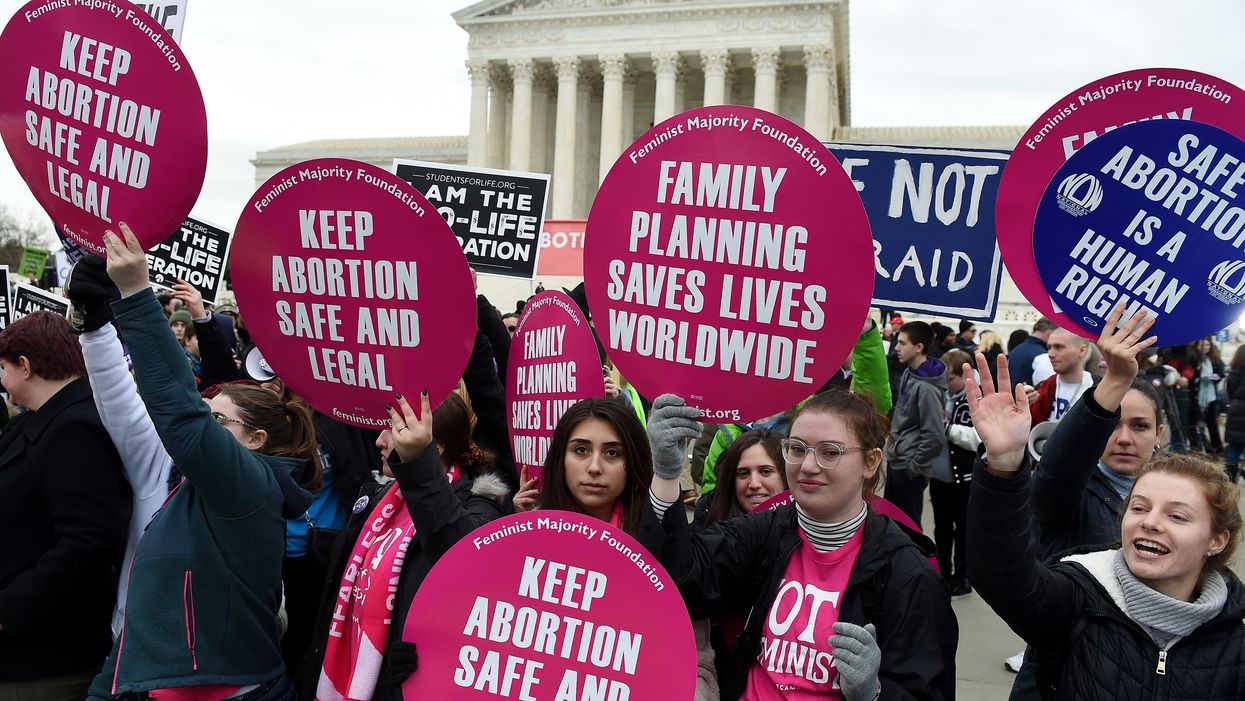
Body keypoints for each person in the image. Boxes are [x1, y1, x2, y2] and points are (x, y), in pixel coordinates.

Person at [88, 224, 319, 700]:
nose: (208, 429)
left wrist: (135, 294)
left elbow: (181, 416)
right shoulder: (190, 490)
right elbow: (146, 613)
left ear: (255, 440)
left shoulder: (251, 486)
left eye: (221, 422)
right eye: (208, 415)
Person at [965, 315, 1245, 700]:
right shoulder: (1081, 595)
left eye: (1177, 515)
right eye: (1139, 509)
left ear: (1216, 539)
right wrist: (1004, 460)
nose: (1151, 524)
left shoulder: (1235, 629)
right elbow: (1004, 565)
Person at [646, 392, 957, 700]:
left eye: (830, 452)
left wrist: (874, 693)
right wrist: (666, 473)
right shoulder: (769, 529)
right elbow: (681, 577)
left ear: (871, 461)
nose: (808, 466)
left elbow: (928, 690)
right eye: (796, 448)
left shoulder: (909, 575)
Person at [991, 306, 1166, 698]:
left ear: (1160, 433)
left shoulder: (1175, 497)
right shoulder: (1069, 492)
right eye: (1113, 424)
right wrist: (1113, 386)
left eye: (1139, 426)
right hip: (1064, 673)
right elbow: (1058, 468)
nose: (1124, 438)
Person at [305, 391, 511, 701]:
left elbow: (460, 561)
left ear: (432, 448)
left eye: (394, 430)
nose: (379, 442)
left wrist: (426, 652)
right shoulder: (378, 499)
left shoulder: (479, 508)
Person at [0, 312, 130, 701]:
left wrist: (7, 609)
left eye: (2, 367)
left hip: (42, 656)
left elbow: (88, 541)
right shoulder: (42, 421)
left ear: (25, 366)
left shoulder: (74, 428)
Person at [513, 397, 656, 539]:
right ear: (560, 457)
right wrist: (524, 531)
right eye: (581, 450)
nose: (594, 468)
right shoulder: (530, 529)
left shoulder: (656, 537)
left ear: (634, 461)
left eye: (612, 453)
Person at [885, 320, 948, 524]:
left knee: (908, 528)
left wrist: (914, 467)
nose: (896, 347)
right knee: (892, 524)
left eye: (902, 343)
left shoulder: (927, 388)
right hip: (897, 461)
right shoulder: (908, 373)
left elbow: (935, 435)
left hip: (908, 467)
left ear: (919, 347)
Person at [934, 349, 977, 597]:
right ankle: (942, 573)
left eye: (950, 379)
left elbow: (976, 439)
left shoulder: (974, 400)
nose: (946, 384)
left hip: (964, 478)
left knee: (963, 529)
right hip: (940, 476)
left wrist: (947, 428)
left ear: (964, 376)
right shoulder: (941, 396)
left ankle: (962, 577)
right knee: (941, 528)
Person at [694, 429, 786, 527]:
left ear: (786, 475)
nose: (754, 484)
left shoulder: (801, 530)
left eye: (765, 472)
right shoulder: (707, 524)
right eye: (743, 474)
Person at [1028, 328, 1095, 426]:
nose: (1050, 354)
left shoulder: (1096, 390)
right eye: (1049, 347)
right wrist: (1024, 407)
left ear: (1082, 351)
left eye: (1058, 347)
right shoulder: (1042, 388)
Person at [1187, 336, 1226, 455]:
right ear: (1197, 346)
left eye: (1208, 345)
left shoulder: (1214, 359)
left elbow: (1221, 373)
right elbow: (1190, 373)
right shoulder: (1194, 358)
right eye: (1202, 345)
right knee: (1195, 423)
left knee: (1211, 422)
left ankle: (1216, 447)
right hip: (1195, 395)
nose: (1205, 348)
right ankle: (1197, 447)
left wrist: (1213, 378)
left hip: (1210, 396)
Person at [1007, 317, 1057, 389]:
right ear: (1051, 333)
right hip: (1030, 397)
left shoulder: (1015, 350)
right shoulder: (1043, 355)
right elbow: (1048, 388)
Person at [1224, 345, 1245, 481]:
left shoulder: (1234, 370)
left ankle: (1229, 478)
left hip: (1237, 409)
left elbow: (1230, 389)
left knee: (1234, 446)